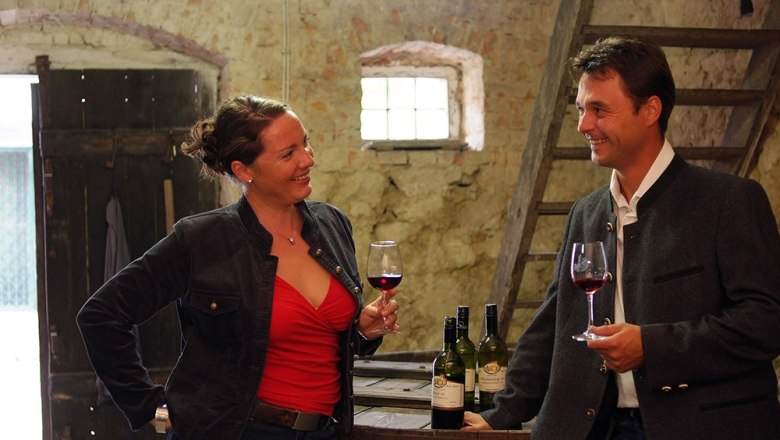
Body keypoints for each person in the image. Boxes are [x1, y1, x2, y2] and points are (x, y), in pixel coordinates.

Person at [462, 36, 780, 439]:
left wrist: (652, 346)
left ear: (649, 110)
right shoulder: (586, 212)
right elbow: (553, 324)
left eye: (599, 109)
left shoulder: (728, 200)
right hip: (599, 428)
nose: (583, 125)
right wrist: (502, 412)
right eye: (581, 109)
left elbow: (767, 321)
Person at [77, 95, 400, 440]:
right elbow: (101, 316)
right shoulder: (202, 239)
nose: (309, 159)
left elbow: (318, 345)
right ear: (243, 170)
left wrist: (362, 331)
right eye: (288, 153)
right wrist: (150, 408)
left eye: (305, 142)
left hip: (326, 432)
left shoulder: (332, 223)